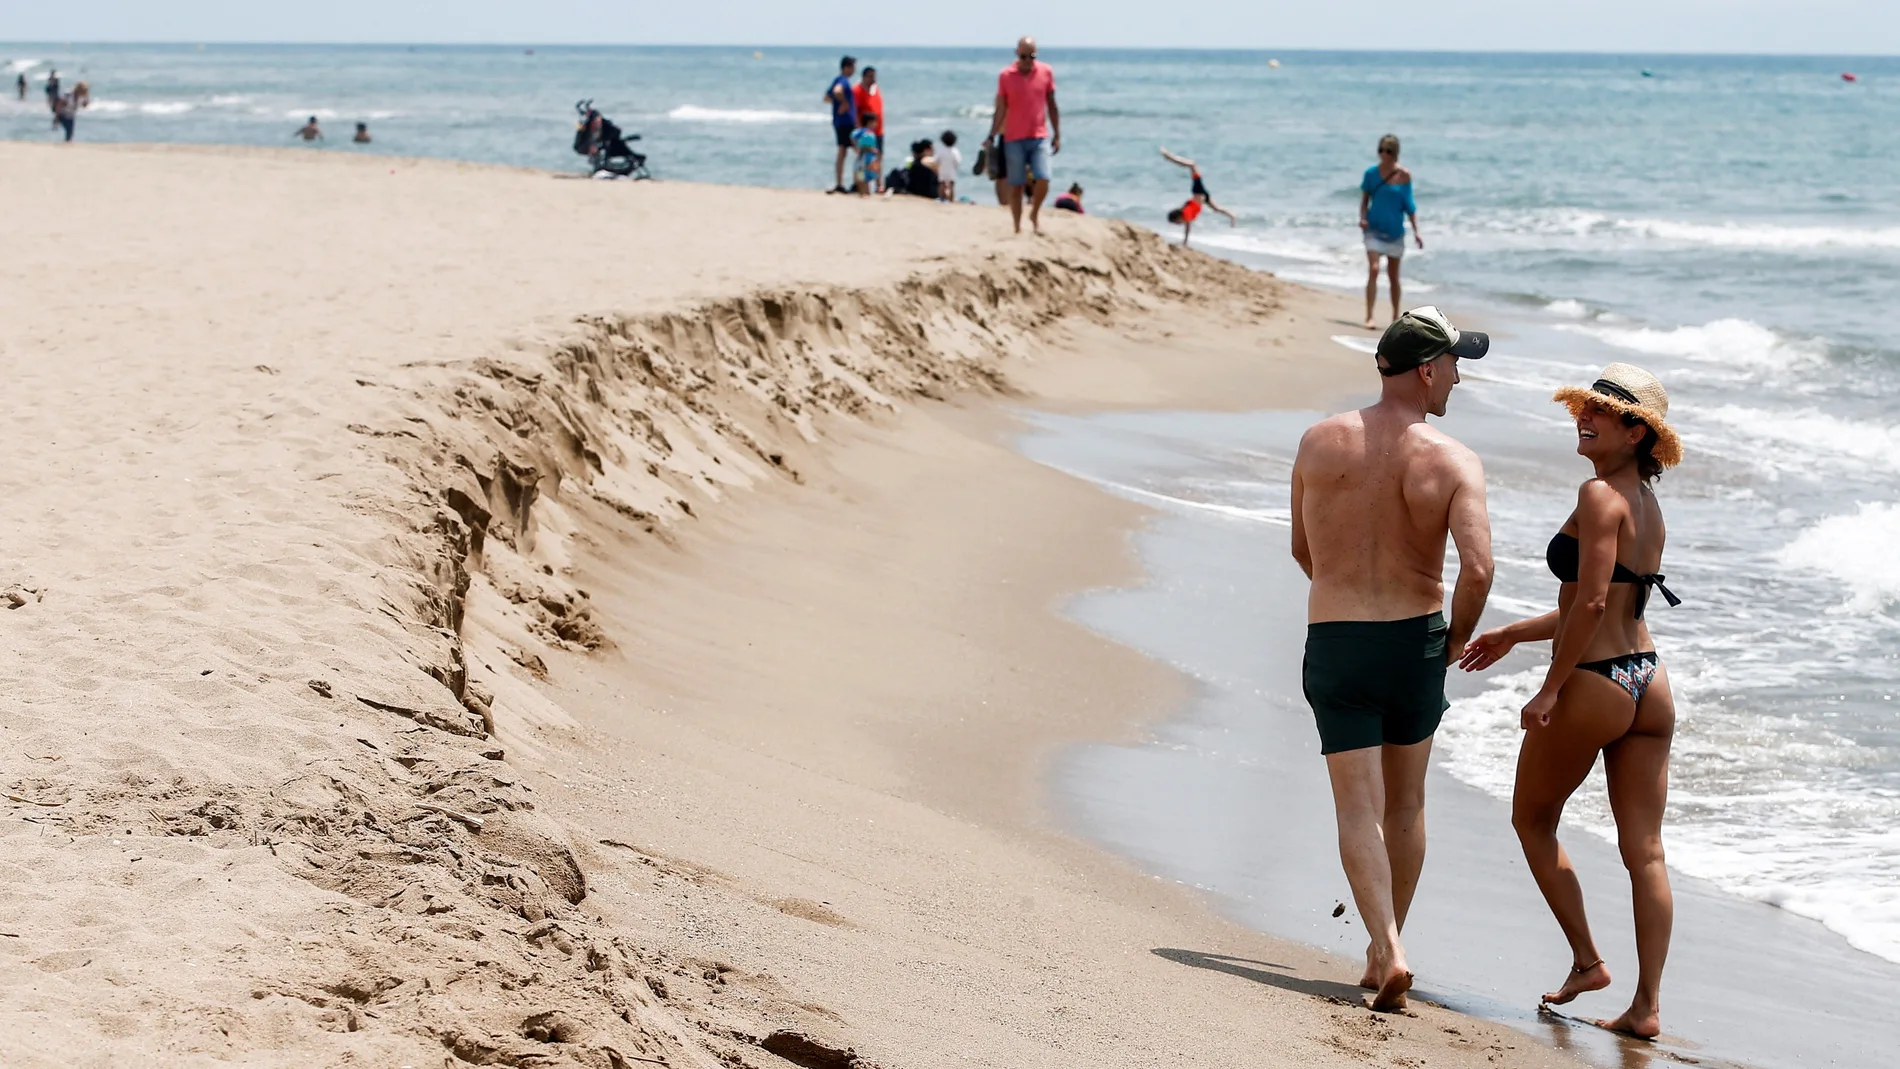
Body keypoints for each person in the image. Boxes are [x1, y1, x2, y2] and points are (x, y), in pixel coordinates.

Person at [1458, 363, 1683, 1041]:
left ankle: (1588, 960)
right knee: (1645, 851)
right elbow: (1612, 602)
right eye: (1582, 407)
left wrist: (1550, 686)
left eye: (1601, 412)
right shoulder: (1646, 503)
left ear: (1637, 429)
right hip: (1647, 678)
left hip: (1593, 682)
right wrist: (1514, 631)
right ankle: (1646, 1006)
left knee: (1532, 820)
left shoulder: (1596, 495)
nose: (1584, 417)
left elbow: (1588, 603)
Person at [1290, 305, 1493, 1013]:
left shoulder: (1319, 441)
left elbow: (1301, 549)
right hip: (1415, 640)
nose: (1459, 380)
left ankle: (1387, 948)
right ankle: (1386, 948)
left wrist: (1345, 582)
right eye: (1456, 366)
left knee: (1356, 806)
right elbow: (1478, 569)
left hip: (1338, 636)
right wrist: (1459, 637)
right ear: (1427, 369)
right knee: (1405, 804)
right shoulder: (1453, 460)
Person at [986, 36, 1060, 234]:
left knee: (1044, 177)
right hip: (1013, 138)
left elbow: (1052, 104)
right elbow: (1000, 109)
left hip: (1039, 135)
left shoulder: (1046, 72)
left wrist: (1057, 133)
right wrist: (992, 135)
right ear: (1017, 54)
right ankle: (1017, 226)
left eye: (1032, 56)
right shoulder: (1005, 76)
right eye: (1024, 56)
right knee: (1016, 185)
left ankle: (1034, 213)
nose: (1028, 60)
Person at [1360, 134, 1423, 330]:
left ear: (1395, 153)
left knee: (1394, 276)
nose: (1383, 155)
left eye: (1387, 151)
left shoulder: (1404, 176)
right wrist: (1362, 218)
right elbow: (1364, 201)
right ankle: (1369, 316)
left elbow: (1409, 205)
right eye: (1381, 150)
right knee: (1374, 269)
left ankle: (1396, 317)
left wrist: (1416, 232)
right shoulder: (1371, 174)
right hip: (1374, 229)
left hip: (1395, 231)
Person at [1161, 147, 1237, 238]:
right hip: (1203, 197)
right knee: (1216, 209)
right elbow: (1187, 225)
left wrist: (1185, 242)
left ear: (1178, 218)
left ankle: (1169, 157)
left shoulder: (1186, 213)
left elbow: (1187, 229)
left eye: (1176, 222)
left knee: (1192, 165)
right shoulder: (1185, 214)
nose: (1178, 224)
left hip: (1198, 190)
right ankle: (1232, 215)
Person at [824, 56, 859, 194]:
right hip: (846, 122)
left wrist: (837, 102)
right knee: (858, 151)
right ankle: (857, 182)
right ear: (847, 67)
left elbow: (827, 98)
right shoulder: (842, 81)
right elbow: (836, 91)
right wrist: (844, 103)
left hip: (839, 122)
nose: (853, 70)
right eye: (852, 67)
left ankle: (840, 182)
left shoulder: (837, 80)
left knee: (842, 152)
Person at [855, 66, 885, 191]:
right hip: (865, 132)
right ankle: (861, 184)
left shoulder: (875, 89)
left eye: (874, 76)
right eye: (871, 76)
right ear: (864, 76)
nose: (874, 79)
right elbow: (855, 111)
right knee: (863, 160)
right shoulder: (857, 90)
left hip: (878, 130)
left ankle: (878, 183)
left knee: (878, 157)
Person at [852, 114, 879, 196]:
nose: (876, 124)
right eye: (874, 122)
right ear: (869, 123)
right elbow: (866, 146)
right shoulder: (869, 133)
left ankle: (862, 192)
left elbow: (852, 137)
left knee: (861, 175)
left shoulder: (858, 132)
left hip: (860, 157)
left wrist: (856, 148)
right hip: (868, 158)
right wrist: (872, 150)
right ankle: (866, 192)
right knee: (867, 176)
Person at [938, 130, 961, 202]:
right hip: (951, 171)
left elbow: (936, 160)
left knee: (942, 185)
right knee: (951, 186)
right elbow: (958, 161)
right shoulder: (955, 151)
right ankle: (951, 200)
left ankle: (941, 198)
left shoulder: (941, 150)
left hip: (942, 170)